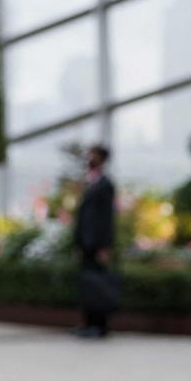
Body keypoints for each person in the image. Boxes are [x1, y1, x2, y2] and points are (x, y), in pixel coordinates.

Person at [71, 143, 116, 339]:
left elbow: (107, 218)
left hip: (98, 245)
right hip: (86, 245)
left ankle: (100, 326)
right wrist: (79, 243)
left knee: (98, 285)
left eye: (94, 154)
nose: (90, 157)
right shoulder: (90, 182)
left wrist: (105, 246)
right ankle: (88, 323)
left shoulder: (106, 184)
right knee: (87, 286)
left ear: (102, 158)